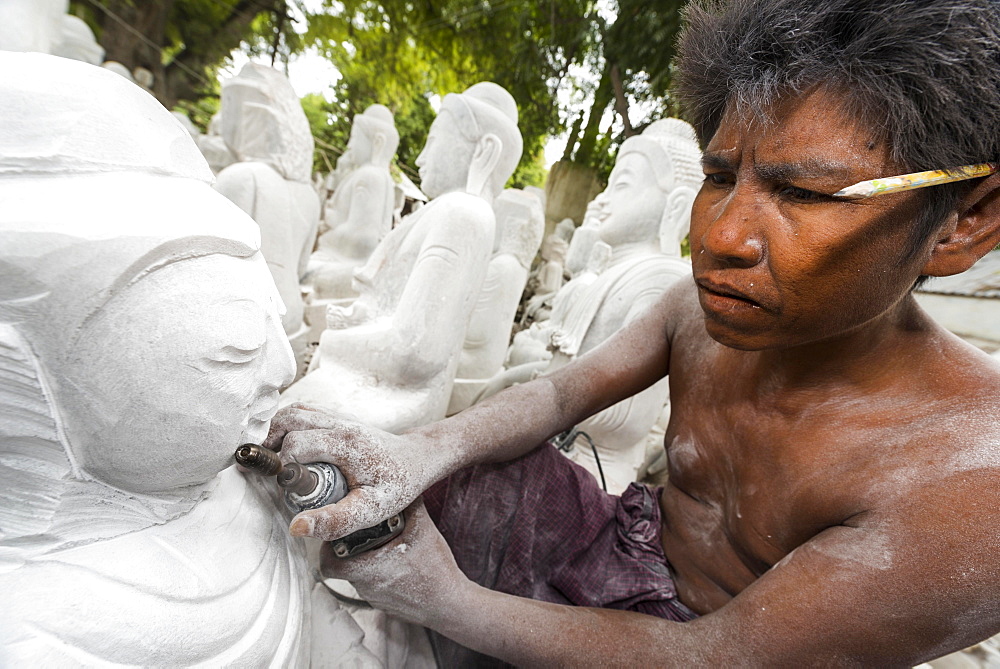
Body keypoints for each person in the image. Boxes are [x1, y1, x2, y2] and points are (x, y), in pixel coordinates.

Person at [266, 0, 1000, 664]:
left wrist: (445, 600)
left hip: (712, 647)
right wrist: (414, 452)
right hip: (621, 538)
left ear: (966, 219)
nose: (722, 234)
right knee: (444, 477)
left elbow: (723, 655)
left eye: (801, 191)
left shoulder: (971, 482)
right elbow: (557, 397)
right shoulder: (696, 309)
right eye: (719, 176)